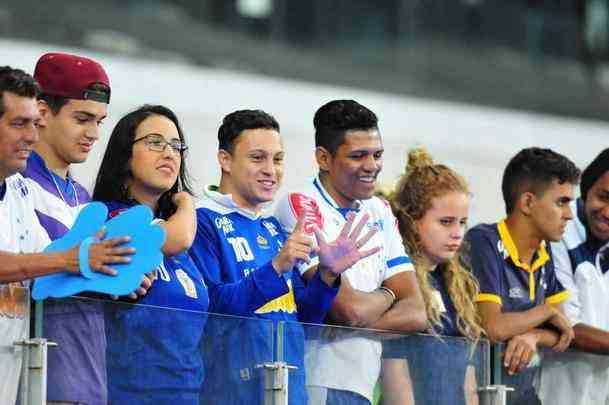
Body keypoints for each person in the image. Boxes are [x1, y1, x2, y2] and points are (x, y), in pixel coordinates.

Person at [189, 109, 379, 405]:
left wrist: (327, 277)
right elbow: (212, 310)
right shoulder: (201, 219)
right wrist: (276, 267)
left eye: (277, 159)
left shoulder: (272, 227)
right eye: (257, 158)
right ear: (225, 160)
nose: (271, 169)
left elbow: (303, 320)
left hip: (288, 393)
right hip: (230, 394)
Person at [274, 99, 427, 405]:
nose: (372, 166)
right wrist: (389, 294)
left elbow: (417, 313)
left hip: (363, 386)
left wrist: (358, 318)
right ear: (323, 158)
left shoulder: (379, 210)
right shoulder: (301, 205)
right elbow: (347, 309)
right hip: (318, 382)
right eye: (358, 156)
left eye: (377, 154)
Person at [0, 66, 132, 405]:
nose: (31, 135)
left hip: (24, 372)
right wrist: (75, 259)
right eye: (19, 123)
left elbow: (42, 263)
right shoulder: (27, 182)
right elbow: (53, 261)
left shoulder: (18, 190)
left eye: (99, 122)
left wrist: (115, 270)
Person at [92, 104, 208, 404]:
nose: (169, 153)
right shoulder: (111, 218)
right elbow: (177, 238)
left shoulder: (182, 237)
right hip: (126, 394)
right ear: (125, 153)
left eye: (176, 145)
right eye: (155, 142)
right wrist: (187, 204)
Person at [465, 147, 579, 405]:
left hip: (523, 396)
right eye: (561, 202)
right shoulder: (484, 241)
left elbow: (564, 332)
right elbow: (492, 328)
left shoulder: (544, 249)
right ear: (527, 202)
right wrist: (545, 313)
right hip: (479, 396)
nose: (570, 214)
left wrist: (534, 336)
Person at [381, 148, 485, 405]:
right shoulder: (399, 282)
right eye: (446, 222)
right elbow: (395, 370)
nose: (457, 233)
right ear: (413, 221)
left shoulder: (458, 287)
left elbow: (468, 379)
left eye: (462, 222)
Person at [536, 148, 609, 405]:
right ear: (586, 189)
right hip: (553, 394)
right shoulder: (557, 235)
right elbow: (566, 326)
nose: (608, 212)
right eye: (604, 197)